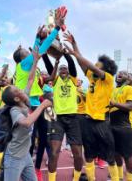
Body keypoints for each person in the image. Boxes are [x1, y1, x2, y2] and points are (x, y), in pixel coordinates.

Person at [63, 31, 119, 181]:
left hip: (102, 122)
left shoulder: (108, 79)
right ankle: (91, 178)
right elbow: (83, 64)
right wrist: (74, 44)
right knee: (88, 154)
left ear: (105, 69)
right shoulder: (91, 78)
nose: (94, 66)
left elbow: (90, 66)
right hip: (88, 121)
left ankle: (114, 178)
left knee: (110, 155)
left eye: (97, 65)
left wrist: (75, 53)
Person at [2, 47, 52, 181]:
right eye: (18, 90)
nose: (21, 89)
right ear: (17, 98)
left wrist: (35, 61)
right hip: (14, 157)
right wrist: (42, 106)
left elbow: (30, 79)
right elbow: (27, 122)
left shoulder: (24, 98)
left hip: (26, 155)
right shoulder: (15, 110)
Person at [48, 52, 84, 181]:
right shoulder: (55, 80)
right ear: (57, 72)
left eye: (65, 69)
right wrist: (48, 55)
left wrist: (64, 53)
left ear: (68, 72)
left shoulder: (73, 80)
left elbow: (72, 64)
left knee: (78, 154)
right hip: (58, 119)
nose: (63, 70)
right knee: (53, 153)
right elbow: (48, 66)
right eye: (60, 69)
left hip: (73, 119)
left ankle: (76, 178)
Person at [109, 71, 132, 181]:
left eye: (124, 73)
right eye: (119, 73)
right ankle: (119, 177)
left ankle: (130, 179)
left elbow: (130, 106)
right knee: (115, 153)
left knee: (127, 155)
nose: (120, 74)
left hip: (125, 126)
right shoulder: (113, 90)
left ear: (128, 78)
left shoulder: (130, 89)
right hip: (112, 125)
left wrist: (114, 104)